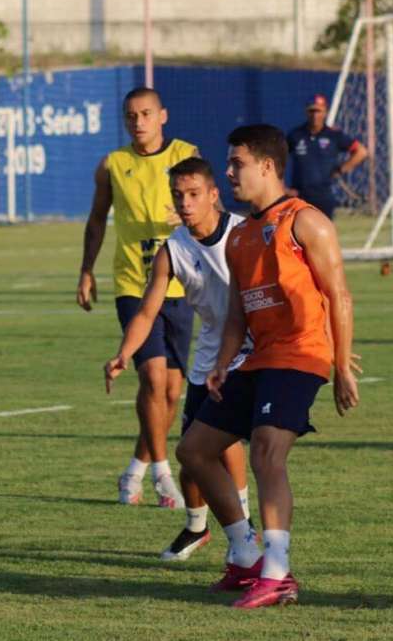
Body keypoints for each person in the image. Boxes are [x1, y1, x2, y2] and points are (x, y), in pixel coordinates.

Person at [176, 124, 359, 609]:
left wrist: (341, 364)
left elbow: (338, 294)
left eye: (236, 164)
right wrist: (221, 364)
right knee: (194, 449)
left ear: (267, 167)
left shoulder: (307, 222)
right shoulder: (240, 237)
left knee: (266, 453)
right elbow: (238, 311)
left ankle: (277, 572)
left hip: (301, 355)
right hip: (257, 359)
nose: (230, 172)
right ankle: (245, 554)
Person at [104, 156, 253, 561]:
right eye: (177, 195)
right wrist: (123, 354)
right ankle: (197, 526)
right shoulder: (174, 249)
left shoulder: (244, 234)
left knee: (224, 442)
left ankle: (246, 527)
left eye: (193, 194)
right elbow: (148, 311)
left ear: (213, 195)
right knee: (191, 453)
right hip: (209, 358)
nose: (184, 203)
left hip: (251, 352)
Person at [77, 86, 197, 508]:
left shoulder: (185, 155)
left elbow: (206, 206)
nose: (138, 121)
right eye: (131, 115)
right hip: (133, 285)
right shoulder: (113, 165)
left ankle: (134, 471)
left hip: (181, 284)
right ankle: (165, 477)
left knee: (171, 392)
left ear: (162, 115)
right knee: (152, 378)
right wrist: (86, 270)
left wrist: (185, 213)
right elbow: (96, 220)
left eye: (146, 113)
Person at [285, 94, 368, 219]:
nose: (315, 115)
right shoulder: (295, 136)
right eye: (311, 111)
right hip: (299, 195)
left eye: (318, 111)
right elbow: (275, 159)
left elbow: (361, 152)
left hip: (324, 196)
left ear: (325, 112)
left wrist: (341, 169)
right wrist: (283, 189)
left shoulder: (334, 135)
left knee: (324, 234)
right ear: (306, 112)